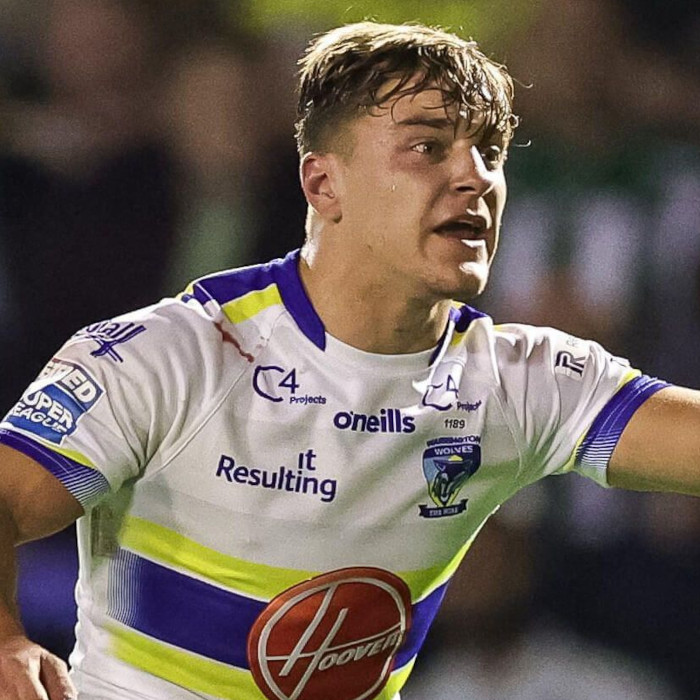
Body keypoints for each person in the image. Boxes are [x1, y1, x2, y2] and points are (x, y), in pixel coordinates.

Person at [0, 20, 699, 700]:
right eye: (427, 147)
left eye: (490, 151)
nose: (474, 177)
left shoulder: (516, 383)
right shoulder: (175, 355)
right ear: (323, 184)